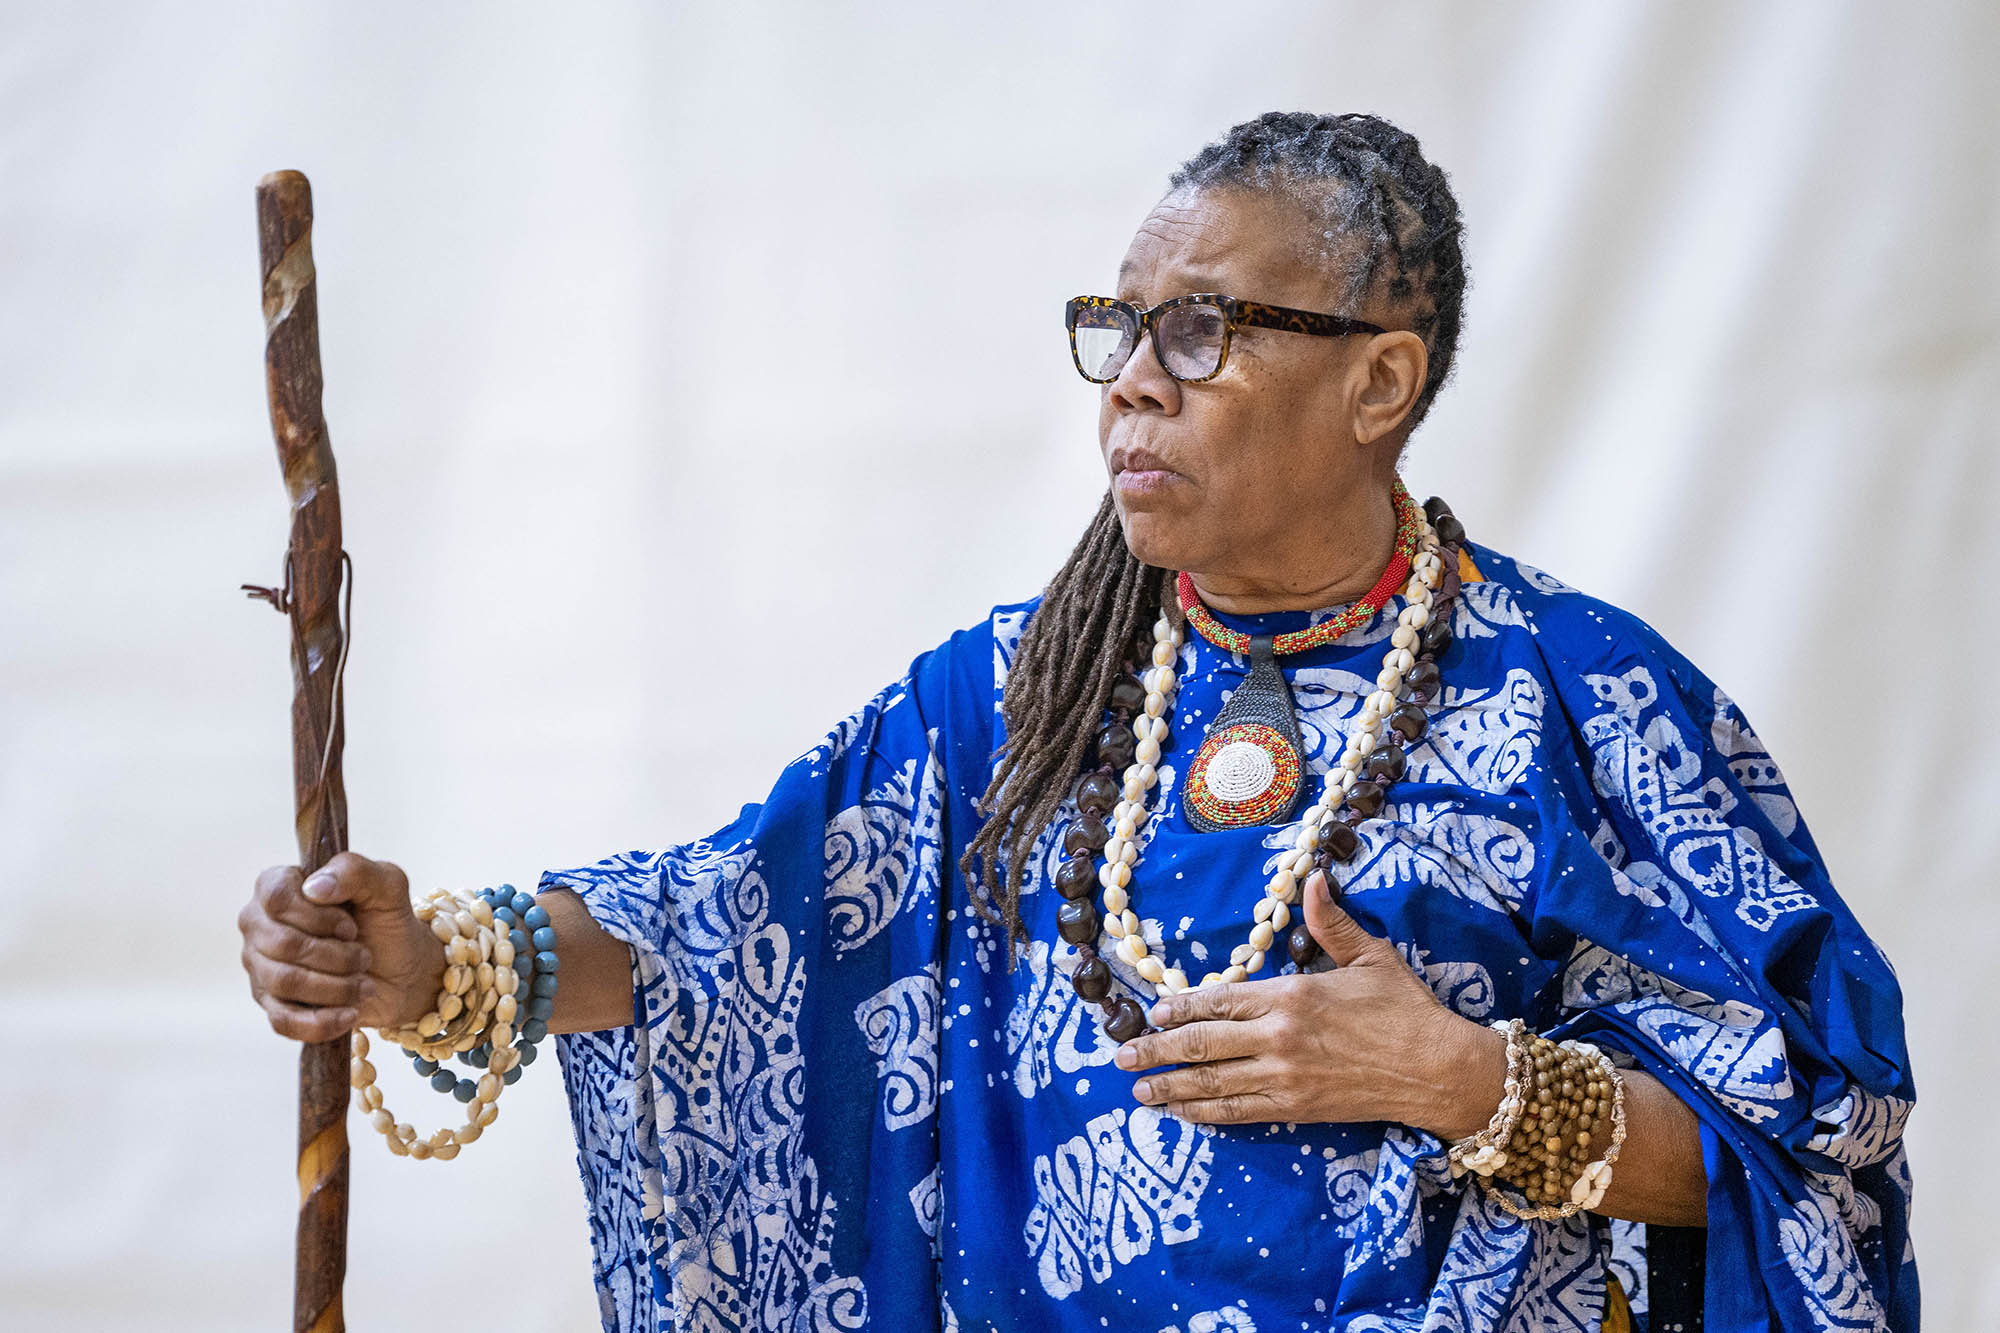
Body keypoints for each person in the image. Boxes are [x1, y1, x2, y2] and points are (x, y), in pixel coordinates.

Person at [237, 111, 1917, 1333]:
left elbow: (1814, 1147)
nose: (1132, 381)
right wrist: (436, 962)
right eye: (1121, 328)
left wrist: (1466, 1079)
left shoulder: (1581, 699)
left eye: (1203, 329)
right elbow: (724, 931)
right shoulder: (1013, 700)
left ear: (1380, 383)